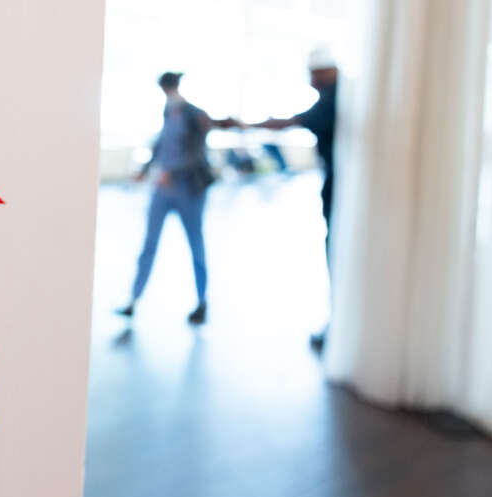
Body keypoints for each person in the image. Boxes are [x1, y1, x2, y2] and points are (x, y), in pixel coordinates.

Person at [116, 72, 234, 324]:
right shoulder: (167, 112)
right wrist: (146, 169)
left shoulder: (194, 114)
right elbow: (161, 145)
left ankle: (201, 302)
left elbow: (198, 153)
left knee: (196, 245)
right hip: (163, 189)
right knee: (149, 244)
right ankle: (133, 300)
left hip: (189, 190)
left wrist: (172, 171)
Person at [244, 47, 338, 350]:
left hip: (338, 186)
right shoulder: (333, 97)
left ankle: (337, 324)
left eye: (314, 74)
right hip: (334, 182)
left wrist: (251, 124)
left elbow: (298, 121)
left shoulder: (334, 99)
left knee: (335, 251)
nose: (311, 81)